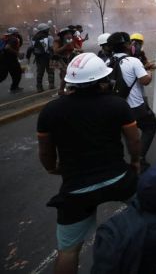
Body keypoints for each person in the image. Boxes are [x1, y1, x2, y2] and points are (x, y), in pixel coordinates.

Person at [37, 53, 140, 274]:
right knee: (151, 211)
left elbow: (46, 153)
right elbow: (134, 140)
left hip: (76, 188)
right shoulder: (117, 105)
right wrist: (136, 162)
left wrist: (53, 168)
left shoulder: (50, 111)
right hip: (118, 178)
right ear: (102, 80)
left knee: (68, 251)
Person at [108, 32, 156, 171]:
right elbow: (145, 81)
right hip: (135, 107)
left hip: (116, 106)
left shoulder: (108, 62)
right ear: (126, 45)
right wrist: (149, 74)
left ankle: (130, 159)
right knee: (150, 126)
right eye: (130, 42)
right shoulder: (133, 61)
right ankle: (139, 158)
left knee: (127, 134)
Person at [52, 27, 80, 95]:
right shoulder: (57, 41)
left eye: (70, 34)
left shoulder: (72, 41)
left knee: (69, 73)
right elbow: (56, 51)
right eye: (66, 34)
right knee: (65, 73)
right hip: (59, 58)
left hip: (69, 58)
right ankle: (61, 90)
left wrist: (76, 50)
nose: (69, 35)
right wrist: (65, 46)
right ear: (62, 35)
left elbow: (79, 49)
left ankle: (71, 86)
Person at [28, 23, 55, 92]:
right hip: (48, 56)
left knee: (40, 72)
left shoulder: (34, 37)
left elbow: (31, 48)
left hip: (39, 57)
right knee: (51, 71)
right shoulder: (49, 37)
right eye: (48, 28)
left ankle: (39, 87)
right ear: (46, 29)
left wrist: (28, 57)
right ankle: (51, 85)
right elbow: (51, 47)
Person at [0, 27, 24, 93]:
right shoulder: (13, 39)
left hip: (2, 59)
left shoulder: (4, 38)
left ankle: (14, 87)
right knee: (17, 73)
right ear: (15, 33)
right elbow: (7, 48)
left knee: (3, 75)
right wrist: (18, 54)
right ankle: (14, 87)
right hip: (10, 60)